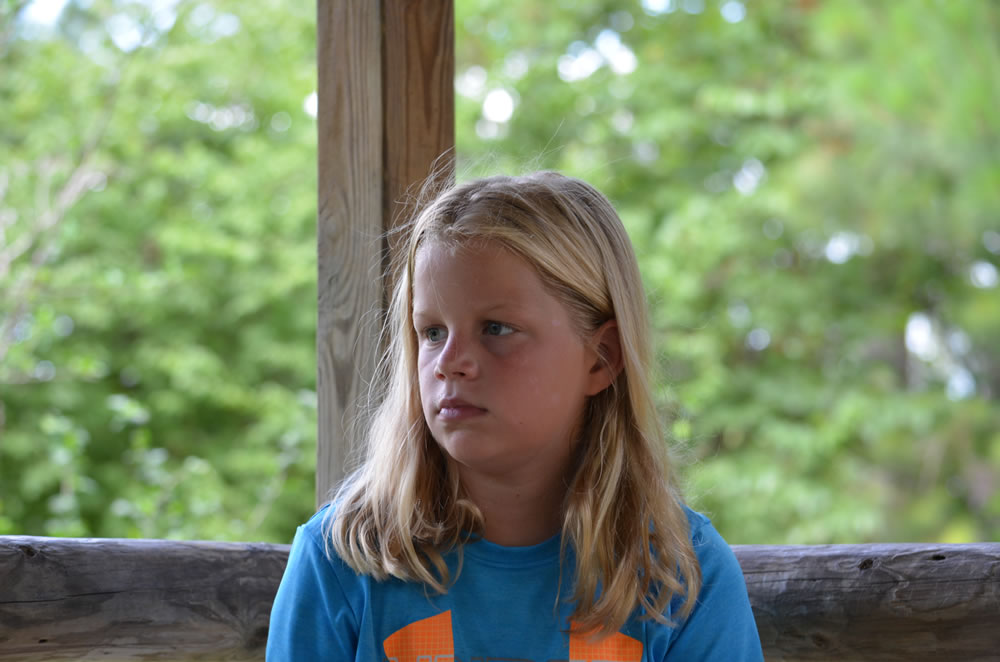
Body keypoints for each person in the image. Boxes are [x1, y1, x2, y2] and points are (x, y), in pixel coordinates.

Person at [266, 171, 763, 661]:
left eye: (496, 328)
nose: (449, 362)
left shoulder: (682, 576)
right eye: (432, 332)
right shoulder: (341, 561)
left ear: (601, 358)